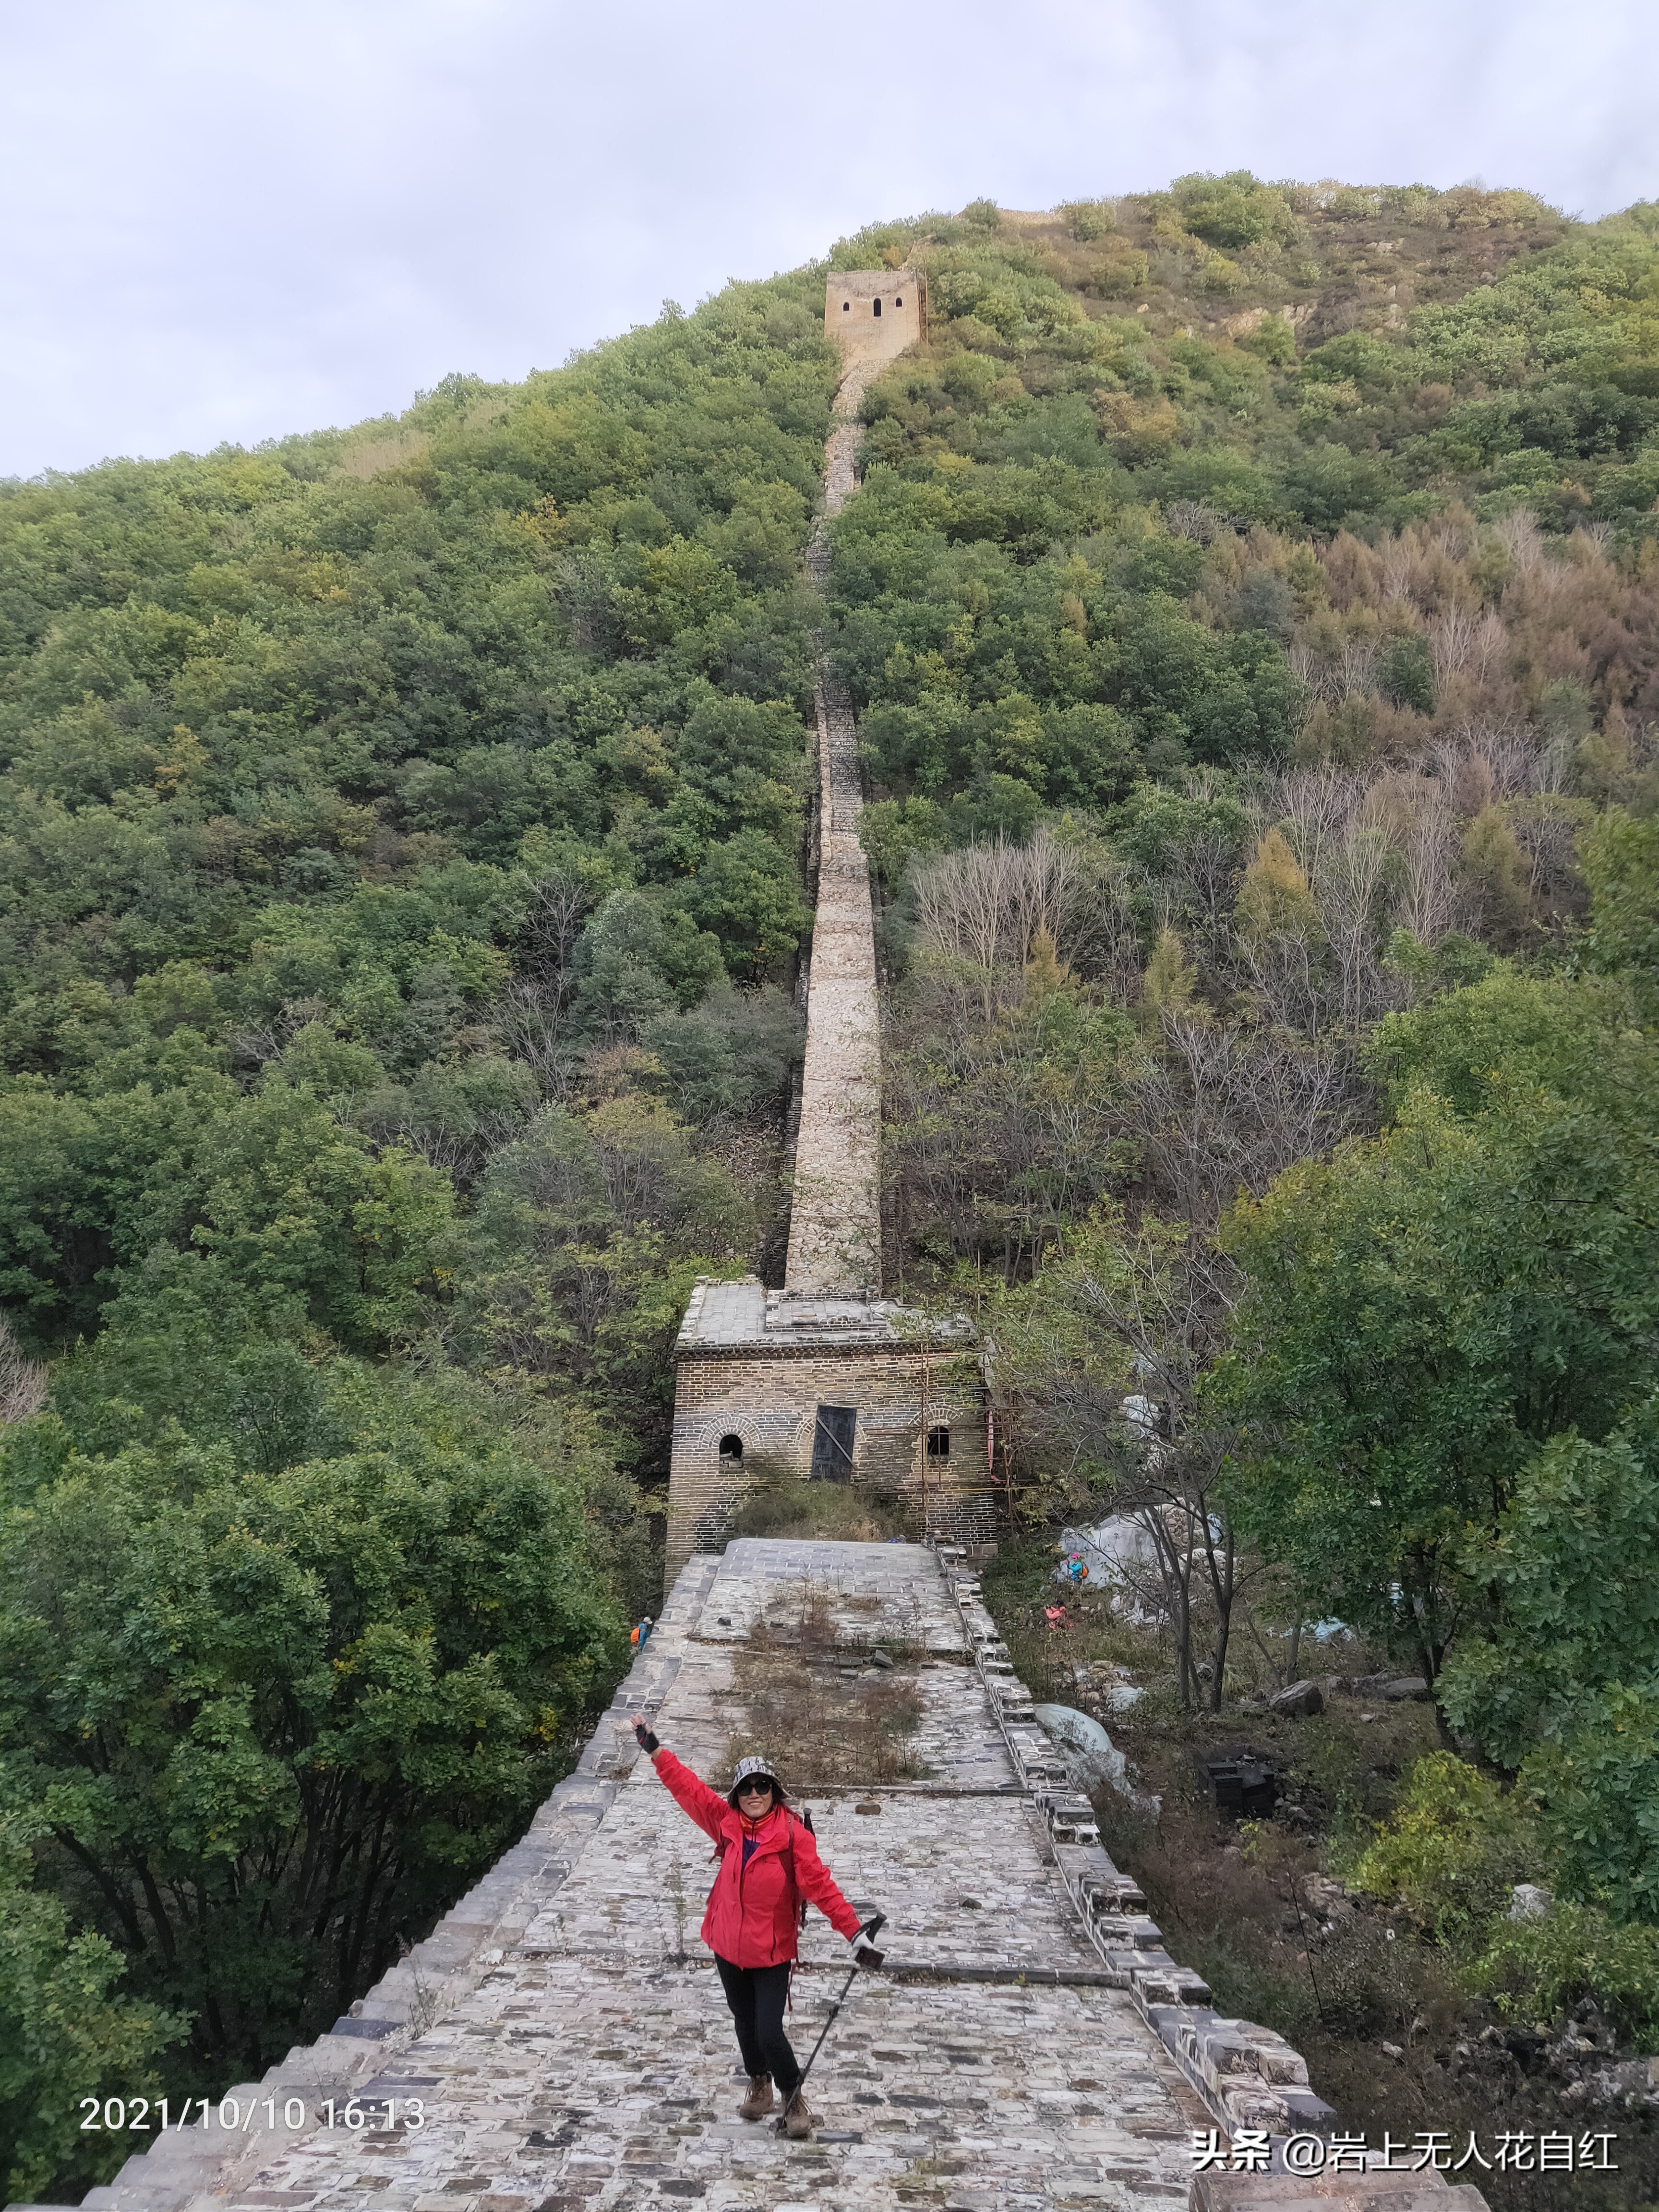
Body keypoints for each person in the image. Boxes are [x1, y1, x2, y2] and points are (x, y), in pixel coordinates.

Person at [633, 1719, 883, 2138]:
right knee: (744, 2023)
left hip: (771, 1952)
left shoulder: (793, 1837)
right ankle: (760, 2085)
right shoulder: (725, 1823)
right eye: (746, 1788)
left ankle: (792, 2095)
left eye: (762, 1786)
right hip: (727, 1945)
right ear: (736, 1795)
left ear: (774, 1791)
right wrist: (655, 1750)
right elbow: (689, 1789)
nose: (754, 1794)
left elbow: (821, 1887)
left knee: (768, 2030)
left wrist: (854, 1933)